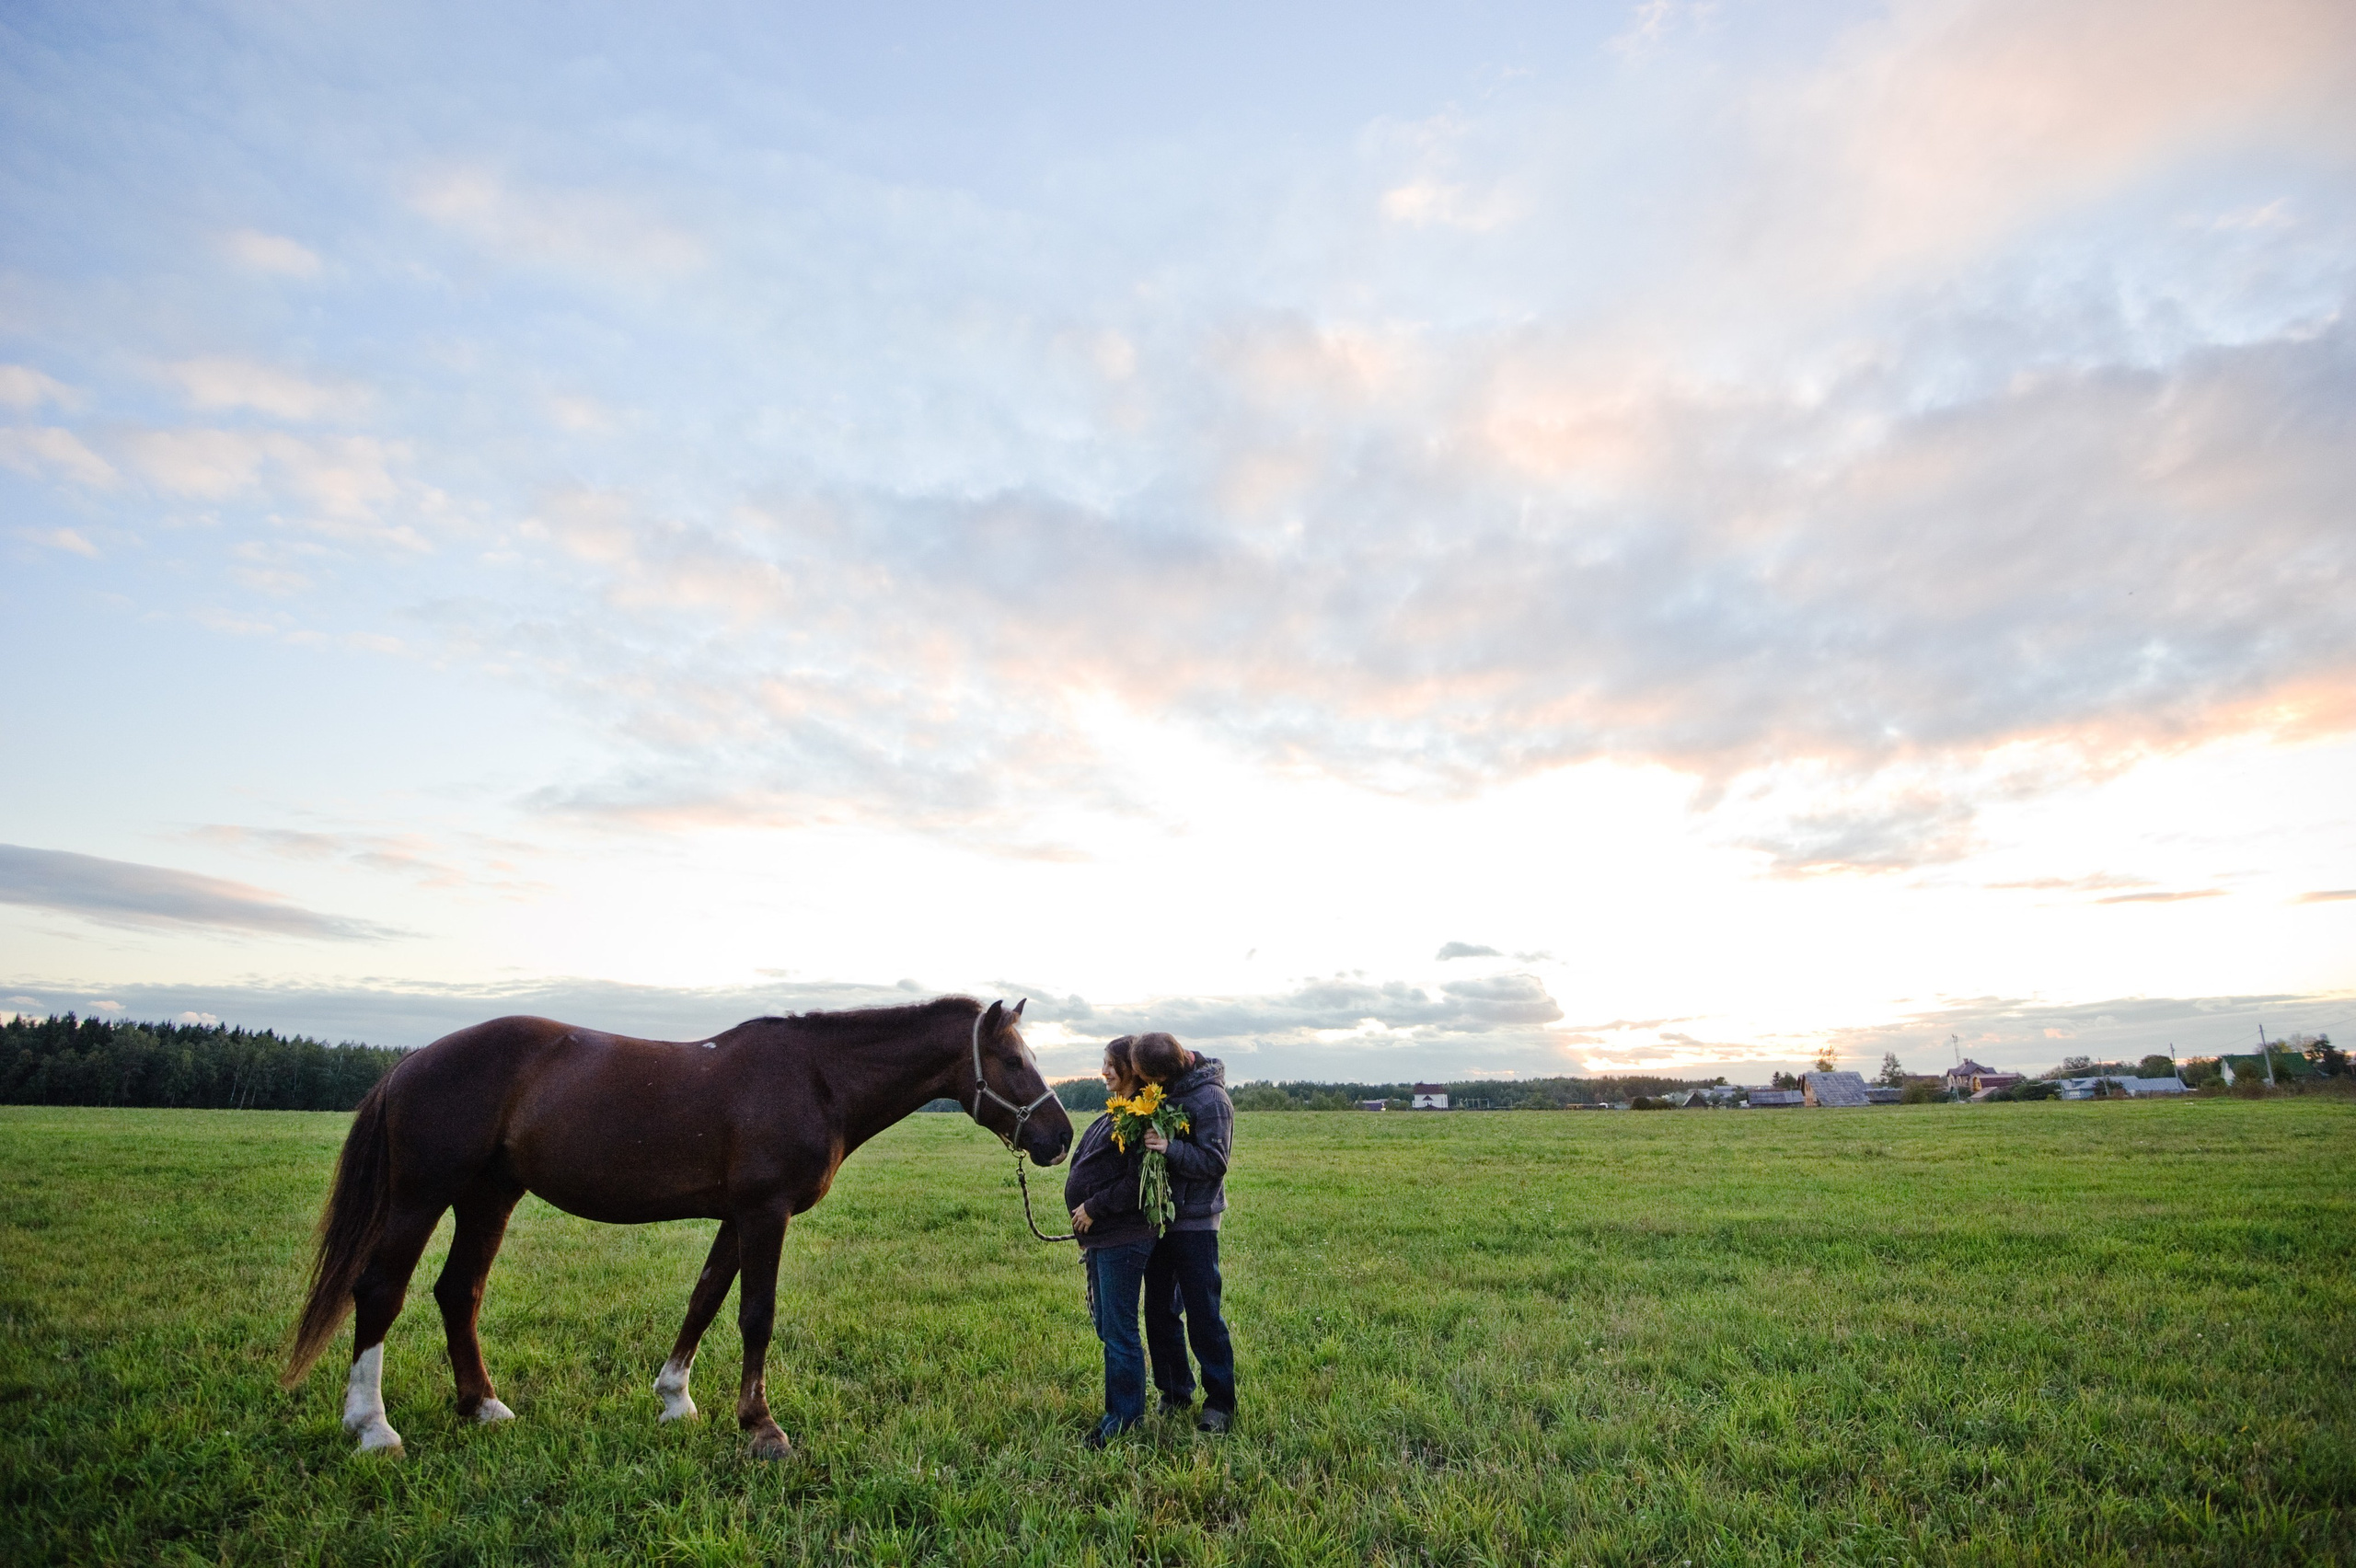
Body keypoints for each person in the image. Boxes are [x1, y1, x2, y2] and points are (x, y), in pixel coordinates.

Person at [1129, 1031, 1237, 1433]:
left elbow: (1215, 1162)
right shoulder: (1166, 1089)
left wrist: (1168, 1147)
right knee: (1159, 1312)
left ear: (1166, 1072)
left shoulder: (1212, 1100)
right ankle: (1174, 1393)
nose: (1145, 1085)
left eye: (1147, 1078)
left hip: (1195, 1222)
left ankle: (1220, 1404)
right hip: (1159, 1220)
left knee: (1204, 1315)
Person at [1063, 1035, 1156, 1447]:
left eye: (1109, 1064)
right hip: (1102, 1238)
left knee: (1119, 1330)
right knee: (1107, 1325)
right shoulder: (1113, 1114)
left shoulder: (1141, 1119)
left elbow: (1137, 1183)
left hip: (1124, 1236)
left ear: (1130, 1069)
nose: (1103, 1072)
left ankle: (1124, 1418)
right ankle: (1122, 1406)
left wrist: (1094, 1209)